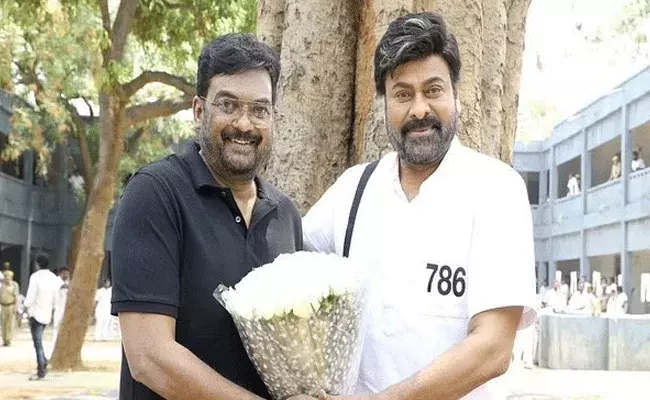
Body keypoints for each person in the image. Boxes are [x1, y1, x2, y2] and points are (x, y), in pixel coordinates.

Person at [301, 13, 536, 400]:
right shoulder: (352, 190)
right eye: (403, 94)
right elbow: (288, 277)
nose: (419, 109)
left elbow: (493, 350)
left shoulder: (496, 190)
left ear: (456, 94)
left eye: (433, 90)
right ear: (384, 104)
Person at [110, 33, 302, 400]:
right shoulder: (155, 194)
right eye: (228, 105)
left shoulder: (285, 215)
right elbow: (149, 358)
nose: (244, 124)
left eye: (260, 110)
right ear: (200, 110)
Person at [24, 255, 60, 380]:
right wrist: (53, 310)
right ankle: (43, 362)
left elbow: (31, 294)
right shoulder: (53, 278)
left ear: (37, 264)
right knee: (39, 341)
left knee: (37, 343)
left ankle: (41, 369)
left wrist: (25, 306)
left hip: (35, 314)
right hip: (47, 314)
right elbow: (56, 298)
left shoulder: (35, 277)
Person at [51, 266, 70, 348]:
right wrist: (62, 287)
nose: (66, 275)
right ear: (60, 273)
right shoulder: (55, 282)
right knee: (57, 328)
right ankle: (55, 346)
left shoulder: (68, 282)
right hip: (58, 308)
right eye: (64, 273)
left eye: (67, 274)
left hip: (67, 309)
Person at [0, 270, 20, 346]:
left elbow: (16, 297)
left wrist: (16, 307)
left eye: (8, 276)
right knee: (3, 324)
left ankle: (9, 340)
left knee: (10, 324)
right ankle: (4, 340)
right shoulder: (2, 286)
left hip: (11, 306)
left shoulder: (14, 285)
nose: (7, 278)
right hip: (3, 306)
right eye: (5, 276)